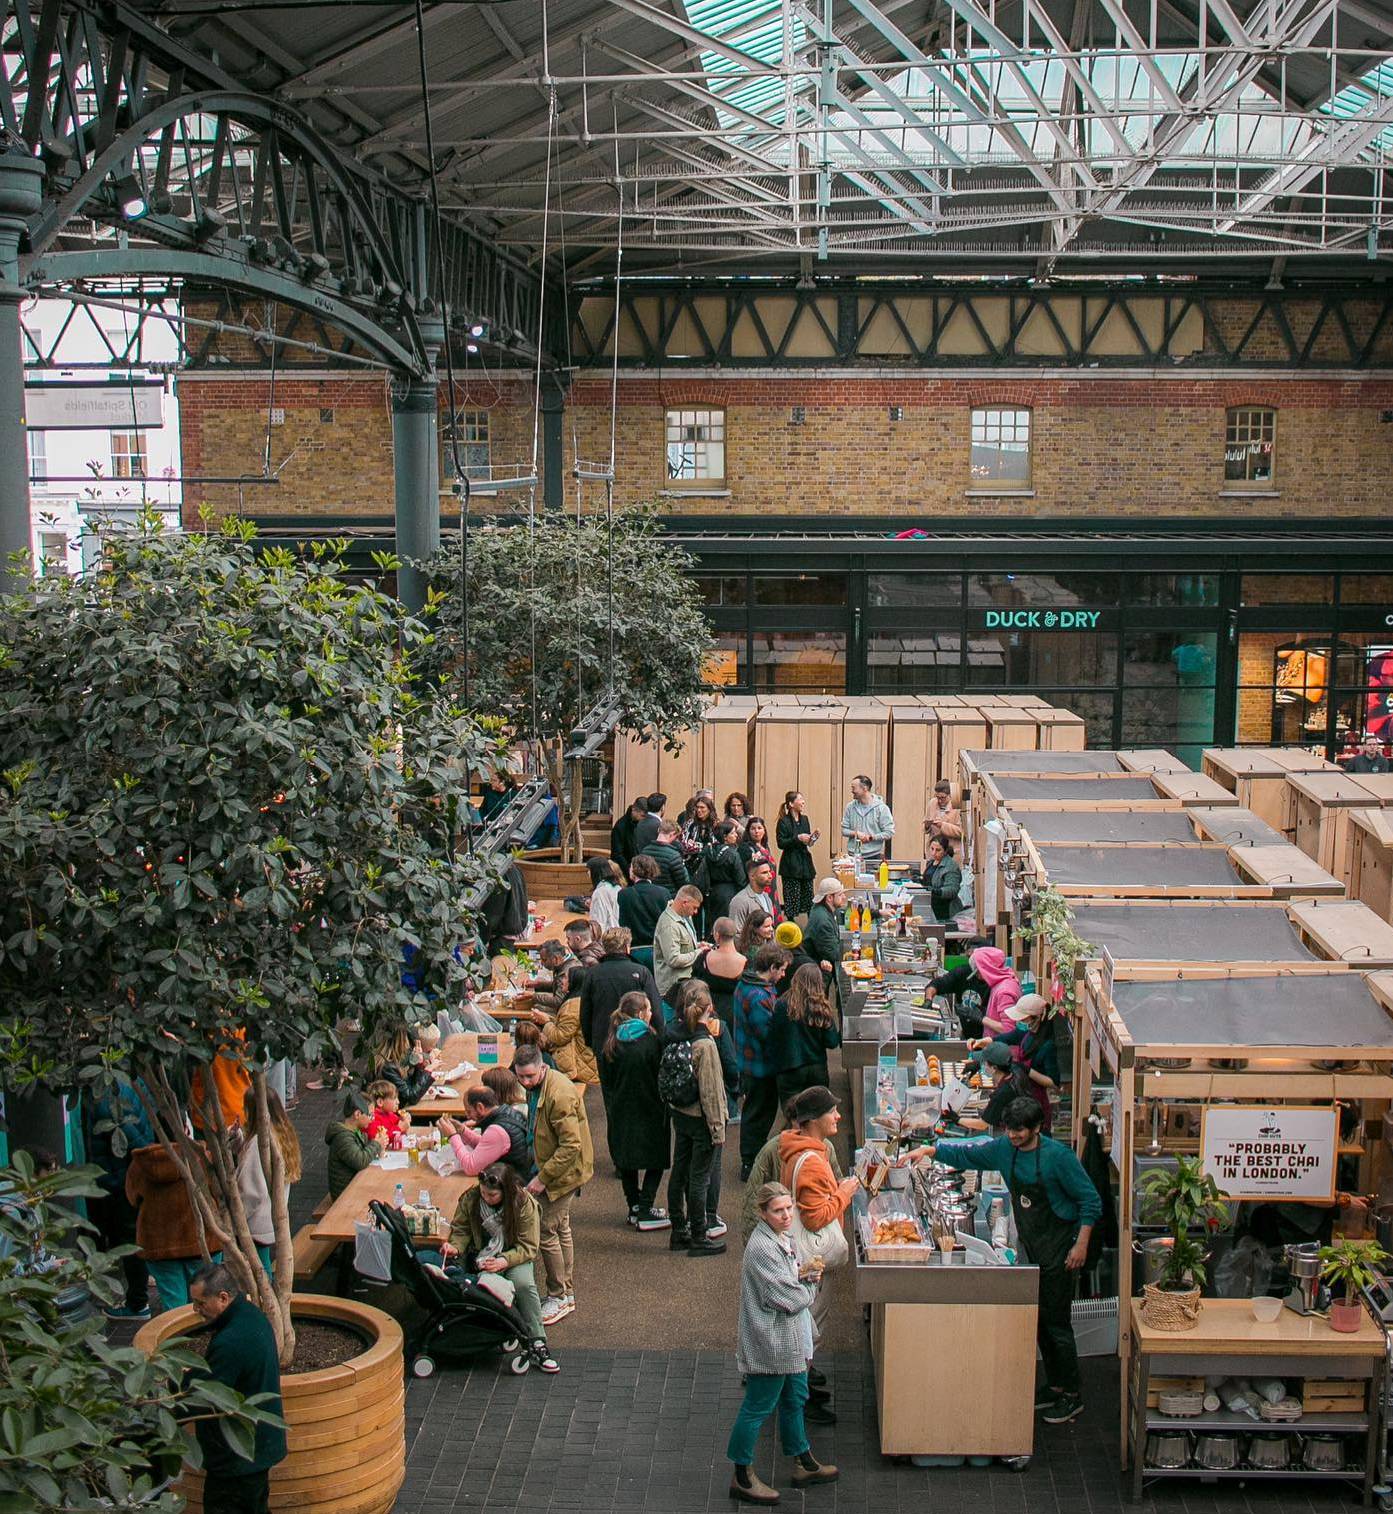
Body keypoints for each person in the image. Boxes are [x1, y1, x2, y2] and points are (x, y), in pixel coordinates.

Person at [911, 1096, 1100, 1425]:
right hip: (1032, 1243)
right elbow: (970, 1154)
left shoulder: (1059, 1158)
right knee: (1039, 1318)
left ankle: (1072, 1394)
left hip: (1060, 1247)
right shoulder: (1004, 1149)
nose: (1013, 1136)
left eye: (1019, 1131)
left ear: (1037, 1128)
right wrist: (930, 1150)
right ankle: (1054, 1385)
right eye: (1010, 1130)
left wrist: (1080, 1246)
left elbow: (1091, 1202)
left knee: (1056, 1322)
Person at [727, 1183, 838, 1505]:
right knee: (758, 1406)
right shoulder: (762, 1248)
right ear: (763, 1213)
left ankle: (804, 1461)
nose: (787, 1215)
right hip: (772, 1342)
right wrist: (808, 1287)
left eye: (789, 1208)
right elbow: (786, 1297)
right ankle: (742, 1475)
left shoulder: (781, 1238)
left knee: (795, 1398)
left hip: (789, 1341)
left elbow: (791, 1283)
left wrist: (802, 1279)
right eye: (778, 1210)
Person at [779, 1086, 859, 1421]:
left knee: (803, 1325)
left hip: (799, 1257)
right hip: (812, 1260)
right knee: (808, 1326)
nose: (838, 1116)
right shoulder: (811, 1161)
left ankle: (800, 1385)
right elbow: (814, 1217)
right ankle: (798, 1399)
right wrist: (844, 1193)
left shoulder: (801, 1149)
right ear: (813, 1121)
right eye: (832, 1111)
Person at [186, 1262, 287, 1514]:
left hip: (237, 1459)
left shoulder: (232, 1341)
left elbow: (205, 1395)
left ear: (223, 1297)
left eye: (200, 1303)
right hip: (255, 1452)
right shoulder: (251, 1317)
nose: (196, 1310)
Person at [442, 1162, 557, 1372]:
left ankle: (537, 1340)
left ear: (505, 1191)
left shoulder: (523, 1203)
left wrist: (503, 1260)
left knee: (524, 1284)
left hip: (514, 1255)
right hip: (482, 1255)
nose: (486, 1198)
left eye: (492, 1195)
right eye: (484, 1193)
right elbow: (461, 1229)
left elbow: (529, 1246)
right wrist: (455, 1248)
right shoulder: (471, 1198)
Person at [513, 1044, 594, 1326]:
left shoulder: (558, 1093)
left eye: (529, 1077)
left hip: (562, 1175)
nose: (525, 1082)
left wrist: (541, 1178)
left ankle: (558, 1295)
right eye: (520, 1077)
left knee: (547, 1231)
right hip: (557, 1169)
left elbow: (570, 1145)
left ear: (542, 1067)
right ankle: (565, 1293)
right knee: (561, 1228)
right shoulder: (541, 1086)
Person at [126, 1141, 228, 1313]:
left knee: (174, 1305)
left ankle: (180, 1339)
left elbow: (133, 1198)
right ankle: (205, 1336)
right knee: (206, 1299)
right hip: (201, 1240)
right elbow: (218, 1192)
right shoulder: (200, 1156)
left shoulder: (141, 1164)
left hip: (158, 1243)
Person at [664, 982, 728, 1256]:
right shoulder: (705, 1044)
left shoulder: (674, 1034)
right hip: (702, 1118)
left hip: (681, 1113)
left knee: (679, 1172)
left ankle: (679, 1230)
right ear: (709, 1009)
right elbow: (712, 1090)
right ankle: (700, 1235)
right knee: (700, 1178)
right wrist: (718, 1128)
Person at [599, 991, 672, 1230]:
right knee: (656, 1158)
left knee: (627, 1160)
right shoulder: (652, 1042)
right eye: (649, 1010)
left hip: (620, 1108)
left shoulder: (611, 1044)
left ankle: (634, 1206)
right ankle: (646, 1206)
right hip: (650, 1107)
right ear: (641, 1013)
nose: (651, 1014)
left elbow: (606, 1080)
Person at [91, 1079, 155, 1319]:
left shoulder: (109, 1097)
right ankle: (140, 1293)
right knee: (134, 1237)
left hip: (121, 1181)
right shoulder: (132, 1084)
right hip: (124, 1178)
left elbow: (134, 1142)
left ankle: (138, 1303)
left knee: (129, 1240)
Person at [734, 943, 793, 1179]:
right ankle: (750, 1163)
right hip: (760, 1067)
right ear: (771, 967)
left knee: (755, 1112)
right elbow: (768, 1035)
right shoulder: (759, 997)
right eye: (782, 970)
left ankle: (751, 1159)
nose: (783, 975)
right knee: (759, 1115)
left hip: (749, 1062)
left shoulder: (746, 984)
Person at [236, 1087, 302, 1280]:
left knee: (260, 1270)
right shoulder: (282, 1133)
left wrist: (235, 1218)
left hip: (255, 1220)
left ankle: (266, 1306)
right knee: (262, 1265)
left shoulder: (260, 1143)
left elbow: (251, 1191)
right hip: (270, 1217)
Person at [970, 993, 1060, 1122]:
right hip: (1021, 1094)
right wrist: (980, 1042)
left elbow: (1054, 1083)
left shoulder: (1048, 1045)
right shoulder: (1027, 1033)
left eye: (1023, 1019)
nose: (1019, 1022)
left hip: (1036, 1100)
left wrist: (1027, 1071)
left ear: (1037, 1018)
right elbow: (1007, 1037)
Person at [579, 926, 664, 1055]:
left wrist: (590, 1041)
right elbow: (655, 1009)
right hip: (636, 1040)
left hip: (603, 1041)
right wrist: (659, 1038)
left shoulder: (593, 974)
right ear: (627, 948)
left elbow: (585, 1011)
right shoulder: (641, 972)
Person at [695, 915, 746, 1105]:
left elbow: (694, 981)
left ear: (717, 935)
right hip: (735, 1012)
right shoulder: (744, 962)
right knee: (732, 1053)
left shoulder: (705, 958)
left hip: (711, 1012)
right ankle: (736, 1091)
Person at [774, 964, 842, 1104]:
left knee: (793, 1113)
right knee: (817, 1113)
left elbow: (774, 1034)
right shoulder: (822, 1008)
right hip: (816, 1068)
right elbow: (832, 1042)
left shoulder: (781, 1004)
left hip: (790, 1068)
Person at [438, 1085, 532, 1178]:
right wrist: (462, 1131)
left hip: (512, 1185)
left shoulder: (497, 1131)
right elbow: (487, 1145)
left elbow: (470, 1167)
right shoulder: (509, 1112)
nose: (467, 1116)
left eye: (469, 1111)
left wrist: (452, 1136)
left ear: (480, 1107)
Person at [653, 884, 710, 1009]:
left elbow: (682, 944)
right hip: (671, 990)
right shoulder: (669, 925)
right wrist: (699, 952)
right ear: (685, 902)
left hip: (682, 987)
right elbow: (673, 959)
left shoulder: (684, 917)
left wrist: (697, 945)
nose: (696, 912)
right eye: (694, 908)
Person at [323, 1094, 383, 1200]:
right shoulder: (343, 1137)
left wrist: (377, 1145)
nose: (372, 1119)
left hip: (355, 1186)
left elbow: (364, 1150)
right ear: (357, 1114)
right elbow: (360, 1161)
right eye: (370, 1115)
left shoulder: (355, 1130)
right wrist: (376, 1144)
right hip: (345, 1195)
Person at [775, 792, 819, 921]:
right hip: (790, 863)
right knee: (791, 896)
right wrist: (797, 838)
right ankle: (791, 922)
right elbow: (781, 843)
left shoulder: (805, 819)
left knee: (809, 894)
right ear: (791, 804)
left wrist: (813, 838)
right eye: (800, 800)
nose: (803, 802)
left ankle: (811, 923)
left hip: (805, 862)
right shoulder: (783, 821)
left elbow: (808, 843)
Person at [369, 1023, 434, 1107]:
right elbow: (411, 1097)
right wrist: (427, 1071)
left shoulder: (396, 1061)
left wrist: (419, 1065)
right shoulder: (387, 1067)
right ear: (403, 1042)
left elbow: (411, 1087)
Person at [840, 774, 895, 868]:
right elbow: (844, 830)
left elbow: (889, 832)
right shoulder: (850, 807)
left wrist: (871, 837)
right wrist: (856, 833)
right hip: (853, 857)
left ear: (864, 788)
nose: (852, 791)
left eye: (854, 788)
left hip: (874, 857)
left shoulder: (881, 808)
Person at [617, 854, 671, 949]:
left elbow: (622, 922)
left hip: (634, 947)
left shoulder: (624, 894)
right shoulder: (664, 893)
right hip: (657, 947)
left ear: (634, 870)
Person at [802, 878, 846, 990]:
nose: (844, 897)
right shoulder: (823, 922)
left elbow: (846, 915)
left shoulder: (822, 908)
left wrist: (877, 913)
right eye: (840, 894)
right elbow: (834, 954)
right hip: (817, 968)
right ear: (829, 898)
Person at [705, 819, 750, 921]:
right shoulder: (733, 854)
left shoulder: (709, 851)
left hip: (712, 892)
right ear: (725, 837)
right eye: (733, 833)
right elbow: (741, 879)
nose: (736, 836)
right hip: (730, 893)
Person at [729, 859, 784, 932]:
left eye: (769, 872)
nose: (770, 876)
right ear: (752, 876)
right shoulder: (740, 901)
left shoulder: (766, 897)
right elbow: (736, 933)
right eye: (764, 873)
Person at [641, 817, 691, 893]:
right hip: (669, 896)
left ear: (658, 830)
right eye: (676, 836)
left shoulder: (645, 851)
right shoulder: (674, 856)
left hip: (649, 895)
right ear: (672, 834)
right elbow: (683, 882)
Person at [924, 836, 964, 924]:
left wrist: (936, 891)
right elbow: (928, 880)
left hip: (946, 911)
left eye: (938, 850)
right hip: (932, 908)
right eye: (932, 849)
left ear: (945, 851)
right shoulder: (931, 862)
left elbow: (952, 890)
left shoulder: (951, 866)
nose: (934, 853)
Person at [363, 1079, 410, 1148]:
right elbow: (379, 1140)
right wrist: (400, 1128)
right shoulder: (373, 1119)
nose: (398, 1102)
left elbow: (399, 1129)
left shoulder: (390, 1114)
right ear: (380, 1102)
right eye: (394, 1098)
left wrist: (404, 1121)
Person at [611, 797, 648, 874]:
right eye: (642, 816)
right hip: (626, 870)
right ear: (634, 810)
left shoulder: (637, 824)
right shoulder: (621, 826)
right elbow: (617, 854)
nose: (643, 819)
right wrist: (629, 870)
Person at [923, 780, 964, 846]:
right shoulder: (932, 803)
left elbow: (961, 832)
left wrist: (942, 825)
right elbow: (926, 827)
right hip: (933, 850)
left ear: (950, 795)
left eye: (942, 797)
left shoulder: (957, 807)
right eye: (937, 797)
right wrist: (927, 826)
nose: (939, 800)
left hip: (950, 850)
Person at [588, 857, 623, 933]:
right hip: (618, 933)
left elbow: (598, 921)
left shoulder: (599, 892)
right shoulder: (618, 887)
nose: (588, 873)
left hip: (606, 936)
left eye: (589, 870)